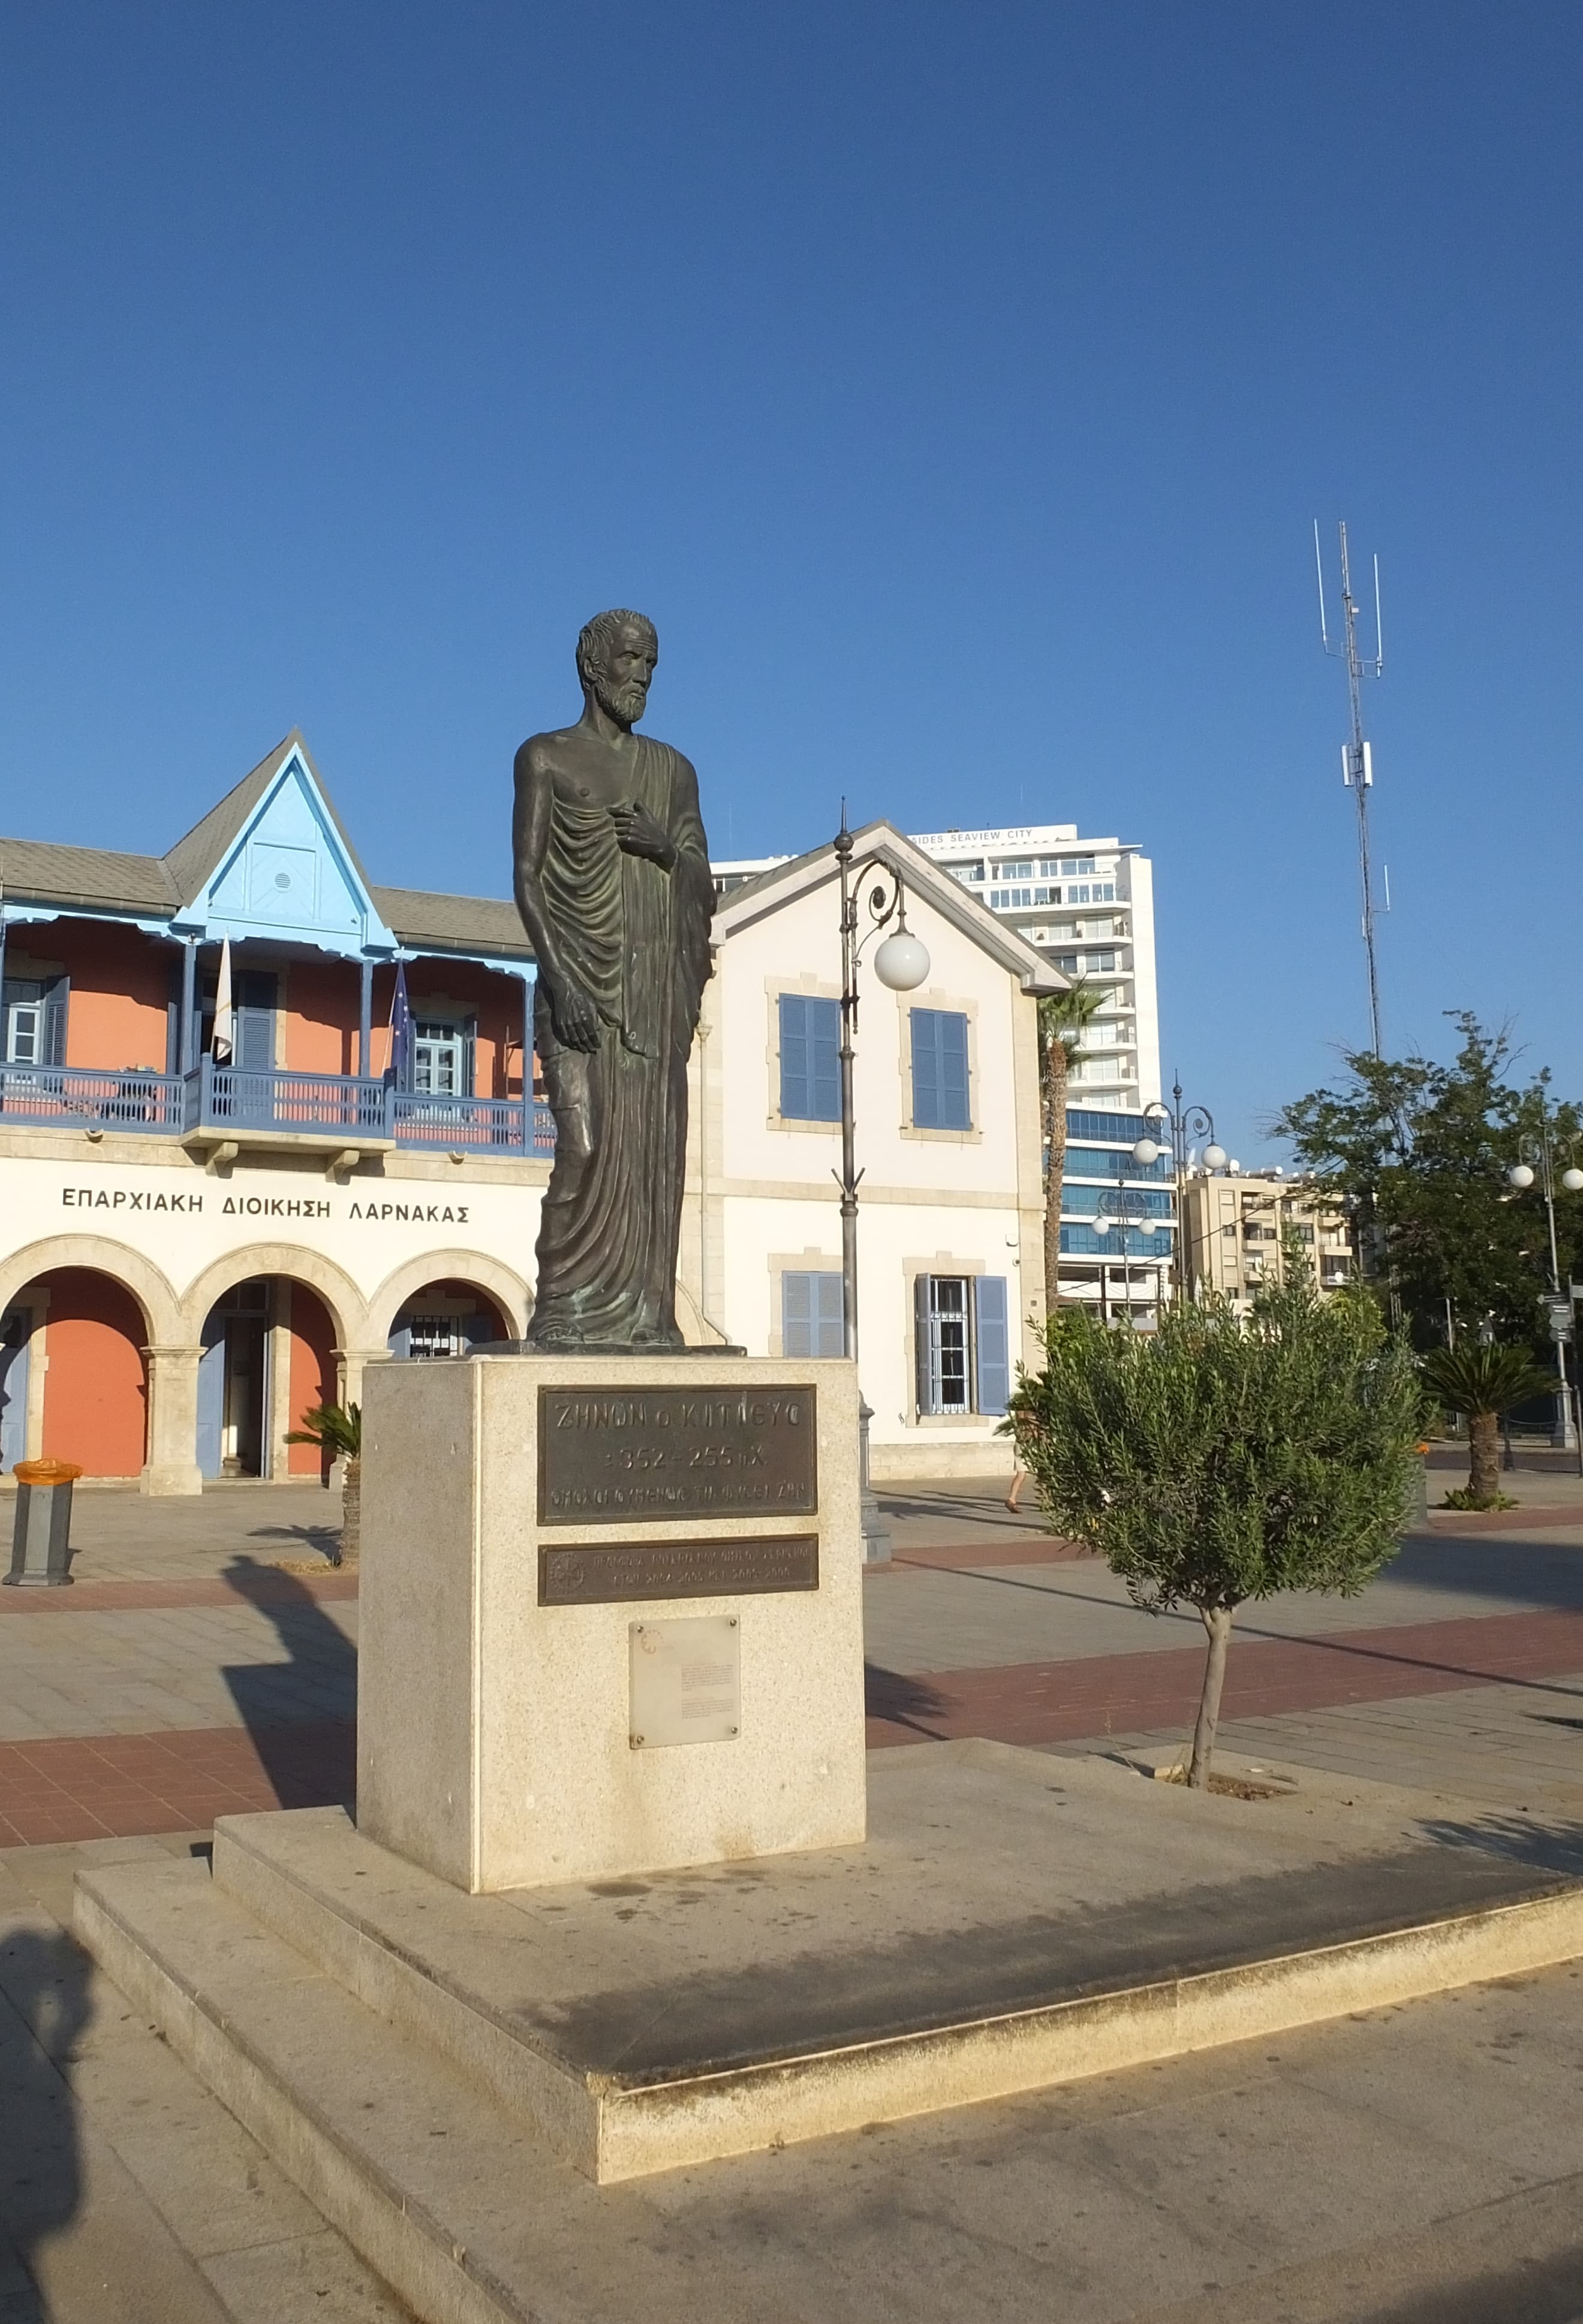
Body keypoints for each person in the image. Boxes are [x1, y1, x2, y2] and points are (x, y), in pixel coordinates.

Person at [511, 611, 715, 1349]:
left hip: (651, 994)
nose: (643, 677)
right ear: (593, 665)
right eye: (631, 659)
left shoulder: (674, 771)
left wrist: (667, 849)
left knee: (653, 1152)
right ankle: (562, 1302)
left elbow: (703, 881)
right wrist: (561, 980)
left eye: (652, 663)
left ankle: (646, 1312)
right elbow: (528, 879)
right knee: (585, 1145)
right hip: (577, 989)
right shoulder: (545, 757)